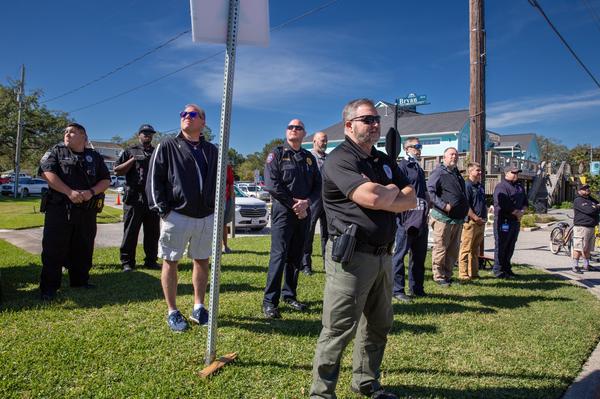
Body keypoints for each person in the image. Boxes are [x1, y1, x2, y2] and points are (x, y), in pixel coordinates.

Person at [310, 98, 416, 399]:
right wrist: (391, 193)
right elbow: (373, 198)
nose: (374, 125)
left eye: (376, 120)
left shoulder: (381, 160)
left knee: (379, 325)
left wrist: (389, 193)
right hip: (352, 259)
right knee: (338, 330)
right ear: (349, 125)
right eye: (367, 119)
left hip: (383, 255)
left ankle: (366, 383)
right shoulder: (340, 159)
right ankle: (321, 393)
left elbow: (412, 196)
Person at [146, 104, 218, 332]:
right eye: (183, 114)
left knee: (202, 260)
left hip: (205, 215)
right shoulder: (167, 144)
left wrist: (215, 210)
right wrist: (163, 210)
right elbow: (154, 178)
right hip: (176, 214)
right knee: (170, 261)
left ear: (203, 121)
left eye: (192, 114)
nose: (187, 117)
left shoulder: (212, 150)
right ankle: (172, 311)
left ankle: (199, 306)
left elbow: (218, 182)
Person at [38, 123, 111, 300]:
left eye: (72, 132)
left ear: (83, 137)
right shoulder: (56, 151)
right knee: (54, 248)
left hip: (86, 210)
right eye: (66, 132)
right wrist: (69, 192)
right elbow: (46, 173)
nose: (67, 134)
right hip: (60, 208)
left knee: (84, 246)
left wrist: (91, 192)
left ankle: (80, 280)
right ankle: (49, 287)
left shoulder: (94, 156)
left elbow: (106, 180)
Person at [262, 119, 321, 319]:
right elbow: (272, 184)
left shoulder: (308, 158)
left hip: (304, 214)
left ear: (304, 133)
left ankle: (290, 295)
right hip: (283, 213)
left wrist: (306, 204)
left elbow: (317, 187)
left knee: (295, 257)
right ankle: (270, 301)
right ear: (286, 132)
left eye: (298, 127)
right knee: (279, 256)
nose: (293, 130)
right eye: (290, 127)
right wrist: (293, 203)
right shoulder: (276, 155)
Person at [114, 124, 161, 272]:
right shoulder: (129, 151)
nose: (147, 135)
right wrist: (133, 160)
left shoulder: (156, 152)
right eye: (145, 133)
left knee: (153, 232)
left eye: (150, 133)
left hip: (151, 198)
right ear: (139, 134)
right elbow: (117, 171)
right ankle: (127, 262)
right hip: (134, 197)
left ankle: (151, 260)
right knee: (130, 232)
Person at [391, 137, 429, 303]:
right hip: (406, 219)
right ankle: (397, 290)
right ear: (407, 149)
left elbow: (424, 192)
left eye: (420, 146)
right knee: (400, 255)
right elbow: (397, 191)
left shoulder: (418, 167)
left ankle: (417, 288)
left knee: (419, 255)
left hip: (420, 217)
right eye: (417, 146)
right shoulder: (402, 167)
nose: (419, 149)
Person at [426, 147, 469, 287]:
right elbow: (430, 192)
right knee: (441, 247)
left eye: (456, 155)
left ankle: (448, 275)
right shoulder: (438, 172)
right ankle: (438, 276)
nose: (454, 157)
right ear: (444, 157)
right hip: (442, 218)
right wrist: (443, 206)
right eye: (451, 154)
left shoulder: (456, 174)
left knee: (453, 249)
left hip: (457, 219)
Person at [492, 165, 528, 279]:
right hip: (504, 220)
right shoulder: (501, 186)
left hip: (515, 221)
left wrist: (522, 212)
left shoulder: (519, 186)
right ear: (506, 173)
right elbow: (502, 203)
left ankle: (507, 268)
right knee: (501, 245)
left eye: (517, 173)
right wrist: (516, 213)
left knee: (511, 245)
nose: (516, 174)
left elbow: (525, 202)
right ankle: (498, 270)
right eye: (513, 172)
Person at [301, 131, 329, 275]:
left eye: (326, 141)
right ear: (314, 141)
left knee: (328, 233)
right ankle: (306, 265)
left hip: (328, 200)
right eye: (322, 140)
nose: (324, 143)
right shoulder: (308, 157)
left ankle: (327, 264)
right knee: (309, 232)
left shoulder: (329, 158)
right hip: (313, 199)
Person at [458, 162, 487, 280]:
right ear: (470, 172)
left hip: (481, 222)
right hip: (470, 222)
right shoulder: (467, 186)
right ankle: (463, 274)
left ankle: (474, 273)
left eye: (481, 171)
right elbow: (466, 205)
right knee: (465, 249)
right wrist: (475, 218)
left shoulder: (480, 186)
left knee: (475, 249)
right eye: (477, 171)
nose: (480, 173)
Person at [571, 183, 600, 273]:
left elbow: (597, 206)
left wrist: (595, 206)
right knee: (579, 248)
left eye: (587, 188)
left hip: (591, 227)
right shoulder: (578, 200)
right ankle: (575, 266)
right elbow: (590, 210)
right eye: (584, 188)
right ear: (579, 191)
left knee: (588, 248)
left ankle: (586, 265)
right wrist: (596, 207)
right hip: (582, 227)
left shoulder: (590, 199)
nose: (587, 189)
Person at [222, 163, 235, 254]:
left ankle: (225, 246)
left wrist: (231, 199)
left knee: (223, 223)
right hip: (209, 200)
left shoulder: (227, 167)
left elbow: (230, 183)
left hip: (225, 199)